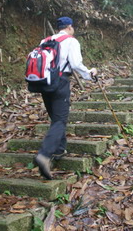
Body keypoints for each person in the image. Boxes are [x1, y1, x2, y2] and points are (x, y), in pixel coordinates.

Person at [34, 16, 98, 180]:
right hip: (60, 82)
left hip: (44, 83)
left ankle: (60, 149)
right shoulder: (71, 41)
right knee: (60, 120)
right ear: (69, 27)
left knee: (56, 118)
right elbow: (75, 64)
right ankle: (44, 154)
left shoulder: (45, 40)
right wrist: (90, 74)